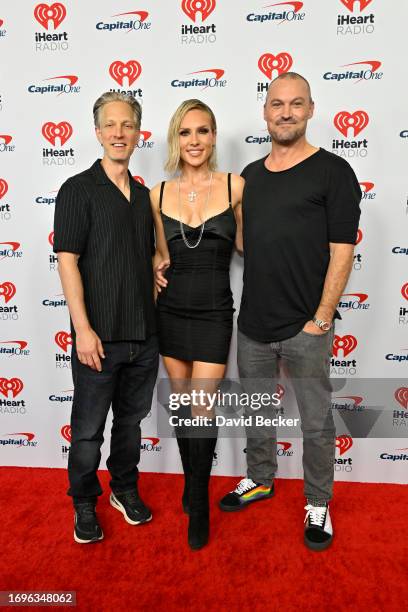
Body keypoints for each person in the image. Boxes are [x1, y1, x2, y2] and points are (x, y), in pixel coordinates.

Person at [219, 73, 361, 551]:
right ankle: (260, 477)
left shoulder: (333, 171)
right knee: (258, 413)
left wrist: (321, 317)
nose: (285, 112)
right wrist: (237, 214)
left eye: (295, 104)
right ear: (265, 111)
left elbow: (342, 251)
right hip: (253, 323)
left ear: (310, 109)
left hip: (307, 325)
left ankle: (318, 501)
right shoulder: (251, 178)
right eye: (277, 103)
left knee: (316, 422)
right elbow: (245, 247)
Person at [53, 92, 159, 544]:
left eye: (127, 125)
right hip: (98, 338)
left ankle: (124, 489)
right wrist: (83, 329)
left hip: (144, 338)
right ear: (97, 132)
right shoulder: (77, 189)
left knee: (131, 425)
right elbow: (67, 261)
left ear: (138, 133)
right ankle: (83, 503)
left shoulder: (143, 197)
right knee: (88, 433)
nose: (119, 133)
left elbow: (143, 257)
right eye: (110, 125)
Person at [151, 99, 244, 550]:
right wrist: (152, 267)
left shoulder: (235, 187)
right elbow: (157, 254)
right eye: (186, 132)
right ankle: (191, 484)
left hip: (213, 313)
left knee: (202, 407)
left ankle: (200, 503)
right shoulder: (157, 194)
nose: (195, 141)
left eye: (203, 131)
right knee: (183, 405)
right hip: (169, 312)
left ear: (212, 137)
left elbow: (252, 245)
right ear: (176, 139)